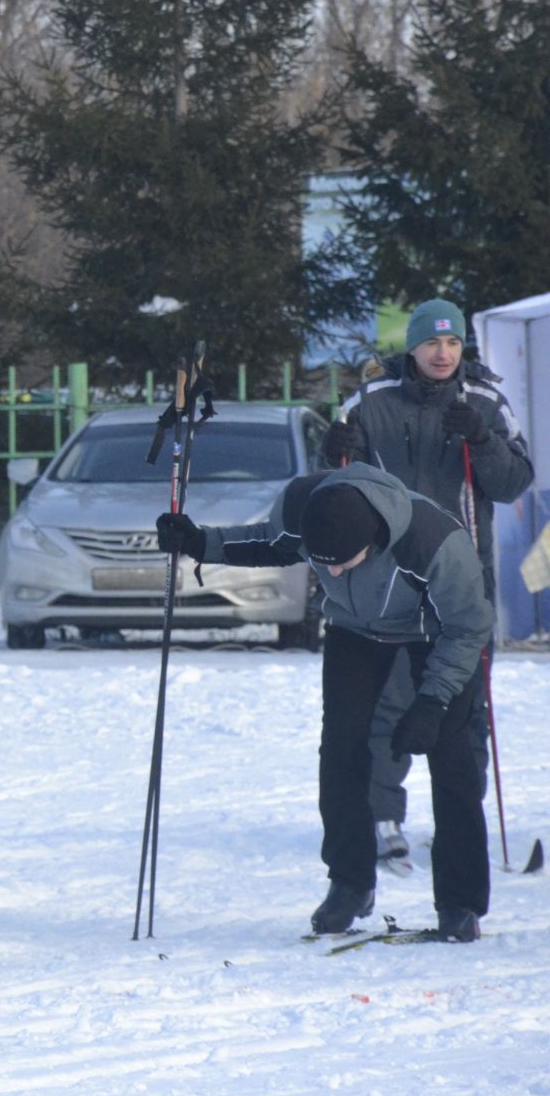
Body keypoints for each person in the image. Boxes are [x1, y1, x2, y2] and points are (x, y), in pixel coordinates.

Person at [157, 463, 494, 941]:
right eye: (323, 563)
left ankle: (460, 902)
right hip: (354, 632)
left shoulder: (435, 542)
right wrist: (199, 542)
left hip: (435, 634)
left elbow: (467, 627)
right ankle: (350, 884)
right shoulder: (303, 507)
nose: (331, 571)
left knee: (452, 756)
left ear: (373, 541)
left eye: (343, 562)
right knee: (341, 749)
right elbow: (269, 543)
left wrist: (432, 703)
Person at [324, 299, 532, 874]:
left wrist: (483, 442)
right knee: (390, 701)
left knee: (463, 704)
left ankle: (464, 824)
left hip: (461, 579)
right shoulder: (370, 402)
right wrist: (335, 455)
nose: (443, 354)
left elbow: (515, 482)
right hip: (389, 579)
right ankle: (383, 815)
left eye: (454, 344)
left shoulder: (485, 401)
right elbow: (342, 483)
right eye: (433, 343)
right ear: (412, 347)